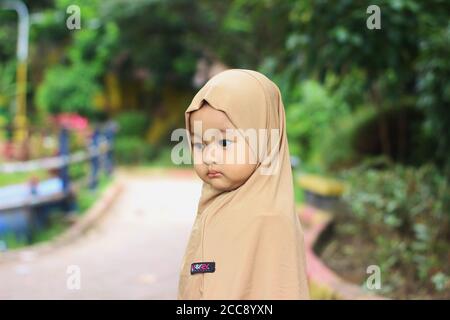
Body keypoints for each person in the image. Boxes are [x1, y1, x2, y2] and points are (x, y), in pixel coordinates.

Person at [178, 69, 310, 299]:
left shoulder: (268, 220)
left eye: (225, 142)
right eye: (199, 144)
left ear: (264, 139)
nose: (209, 156)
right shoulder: (215, 205)